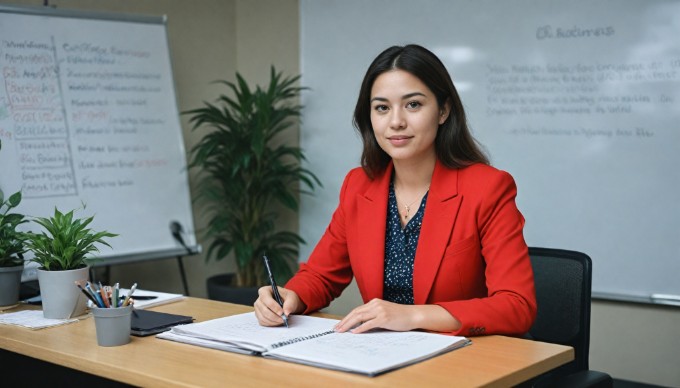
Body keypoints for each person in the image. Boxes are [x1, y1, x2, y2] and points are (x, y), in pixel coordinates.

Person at [254, 44, 536, 337]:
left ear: (443, 110)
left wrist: (412, 315)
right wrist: (289, 298)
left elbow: (516, 306)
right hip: (383, 359)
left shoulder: (488, 188)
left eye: (413, 104)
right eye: (382, 108)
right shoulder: (359, 186)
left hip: (463, 361)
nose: (396, 121)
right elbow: (321, 275)